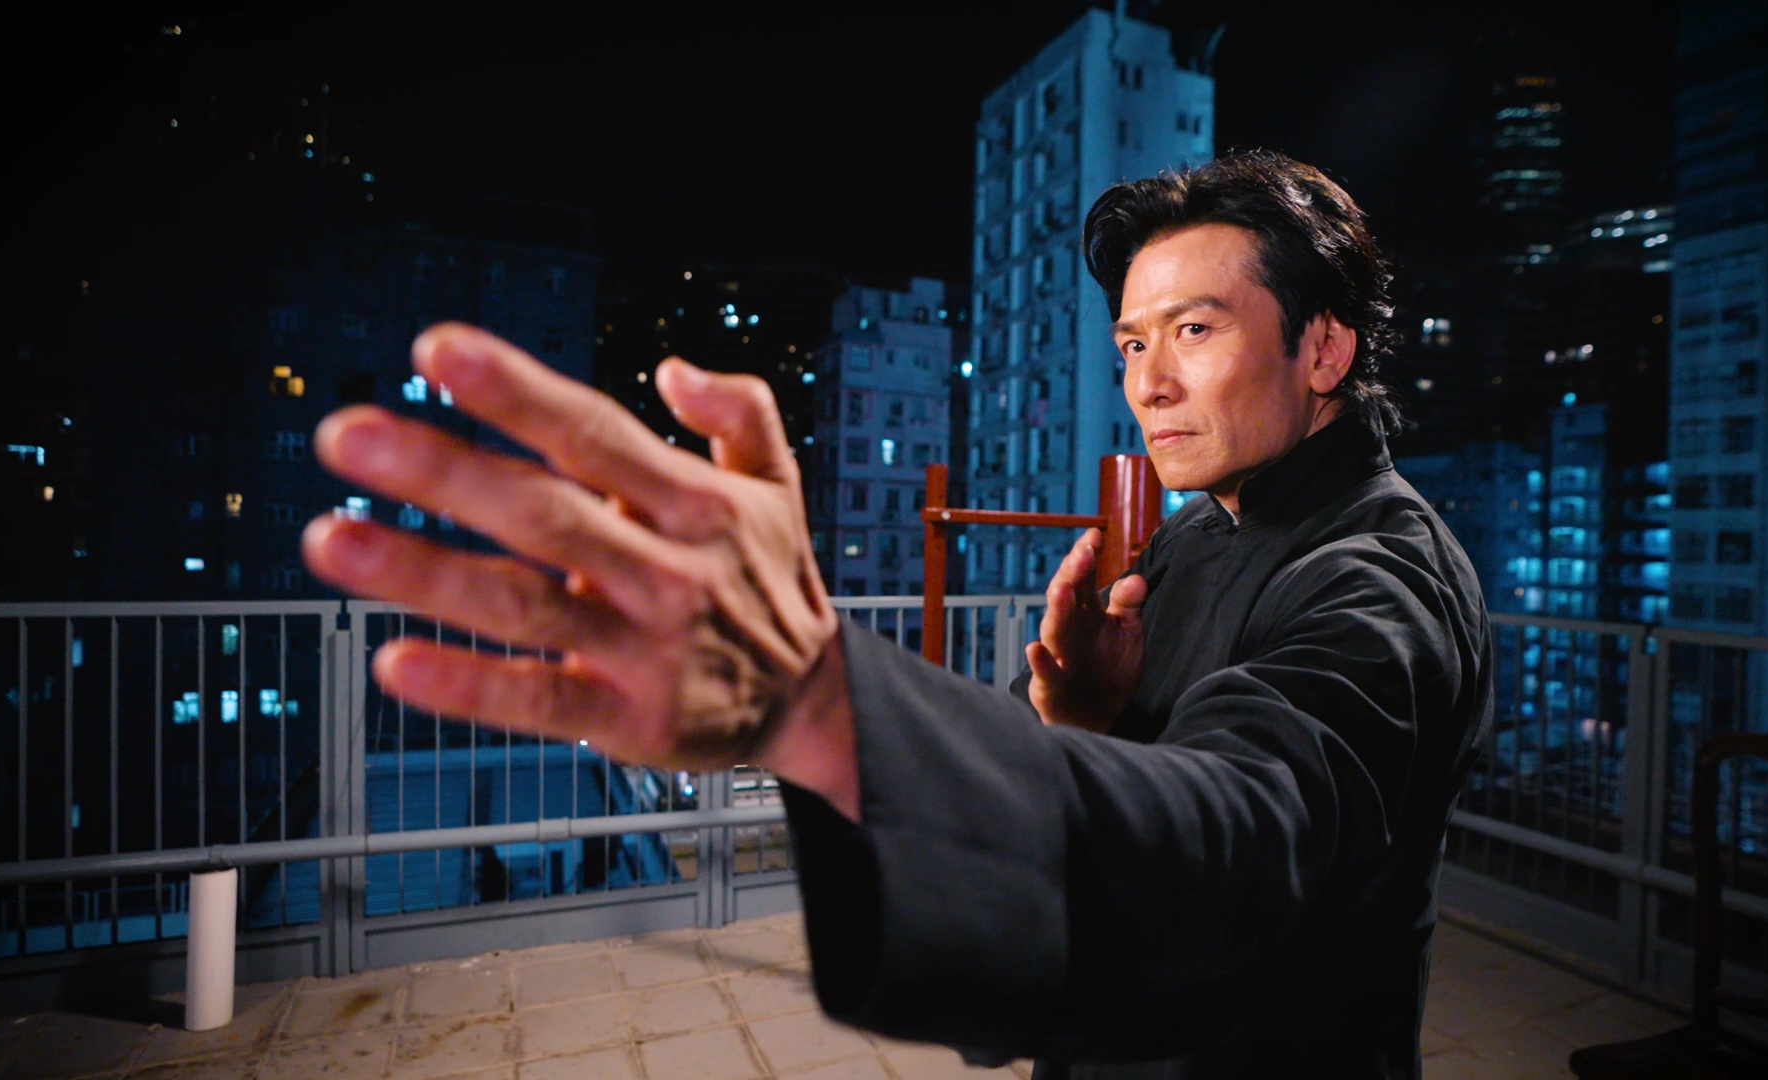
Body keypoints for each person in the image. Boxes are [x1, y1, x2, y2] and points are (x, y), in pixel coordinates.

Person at [303, 149, 1492, 1080]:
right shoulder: (1193, 534)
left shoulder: (1384, 577)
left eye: (1195, 329)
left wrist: (824, 700)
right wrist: (1081, 720)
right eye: (1132, 341)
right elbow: (1137, 798)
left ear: (1322, 348)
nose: (1148, 381)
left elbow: (1249, 834)